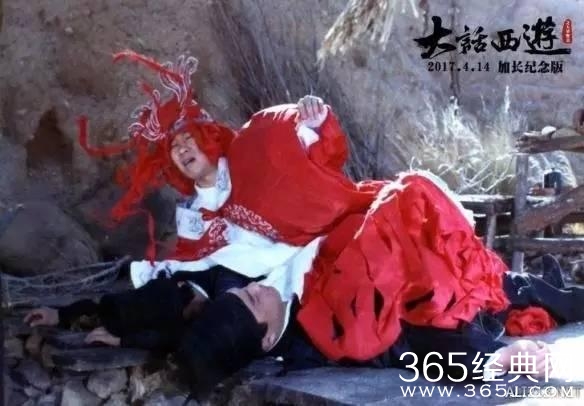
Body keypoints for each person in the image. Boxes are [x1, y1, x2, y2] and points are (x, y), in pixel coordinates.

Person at [177, 254, 584, 398]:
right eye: (251, 299)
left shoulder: (263, 294)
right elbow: (410, 346)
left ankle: (553, 286)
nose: (253, 287)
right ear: (267, 338)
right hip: (451, 304)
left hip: (429, 269)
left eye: (243, 289)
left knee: (517, 281)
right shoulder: (326, 338)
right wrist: (500, 358)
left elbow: (218, 276)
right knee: (519, 288)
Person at [23, 265, 252, 352]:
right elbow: (102, 305)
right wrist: (59, 314)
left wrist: (123, 341)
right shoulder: (176, 281)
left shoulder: (226, 298)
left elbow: (171, 339)